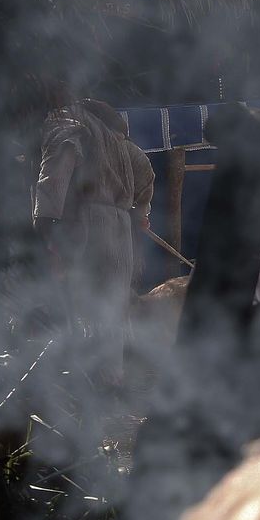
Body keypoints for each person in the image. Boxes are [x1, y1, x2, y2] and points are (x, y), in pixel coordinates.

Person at [32, 97, 155, 388]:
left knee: (82, 305)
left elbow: (56, 172)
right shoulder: (123, 144)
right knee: (112, 308)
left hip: (86, 225)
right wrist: (139, 214)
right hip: (120, 229)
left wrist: (46, 222)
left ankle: (84, 384)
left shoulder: (69, 121)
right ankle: (111, 379)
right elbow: (146, 175)